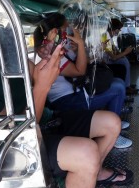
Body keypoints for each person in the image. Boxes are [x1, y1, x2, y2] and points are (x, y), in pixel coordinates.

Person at [0, 0, 133, 188]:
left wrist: (49, 64)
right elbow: (12, 134)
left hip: (45, 119)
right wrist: (42, 87)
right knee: (86, 152)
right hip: (15, 144)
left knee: (112, 123)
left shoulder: (5, 56)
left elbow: (34, 73)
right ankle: (83, 174)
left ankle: (92, 173)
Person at [34, 12, 133, 149]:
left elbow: (85, 61)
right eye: (66, 29)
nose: (68, 32)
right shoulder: (48, 52)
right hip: (69, 101)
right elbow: (79, 70)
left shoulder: (61, 46)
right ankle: (113, 134)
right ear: (55, 31)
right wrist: (80, 43)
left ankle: (113, 121)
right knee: (118, 88)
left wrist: (80, 48)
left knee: (117, 82)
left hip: (79, 90)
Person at [101, 18, 139, 95]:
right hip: (105, 62)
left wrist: (120, 53)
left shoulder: (108, 36)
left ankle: (127, 85)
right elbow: (113, 57)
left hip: (109, 59)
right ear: (115, 29)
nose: (119, 31)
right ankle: (126, 87)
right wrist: (125, 52)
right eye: (119, 29)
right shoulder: (105, 37)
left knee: (124, 59)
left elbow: (113, 49)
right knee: (123, 62)